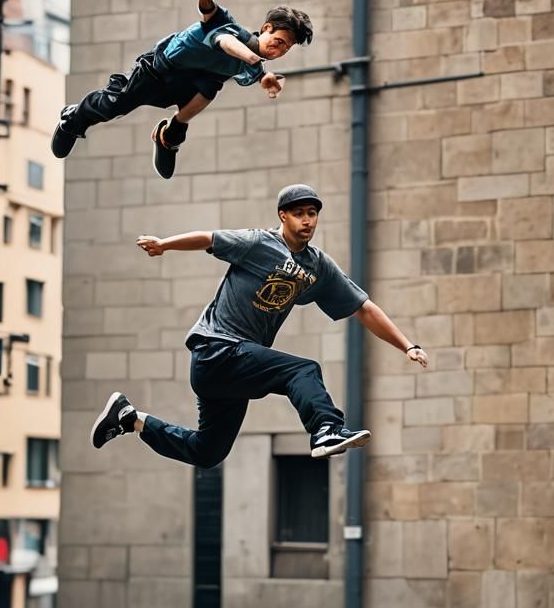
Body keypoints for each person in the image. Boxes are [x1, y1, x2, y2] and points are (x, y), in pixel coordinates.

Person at [90, 184, 429, 467]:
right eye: (299, 214)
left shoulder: (318, 266)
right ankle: (326, 428)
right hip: (217, 349)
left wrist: (407, 345)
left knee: (208, 452)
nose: (307, 221)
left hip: (232, 373)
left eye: (312, 214)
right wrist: (164, 244)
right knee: (303, 370)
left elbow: (363, 308)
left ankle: (130, 419)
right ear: (283, 215)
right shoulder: (257, 242)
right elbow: (208, 238)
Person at [50, 0, 313, 179]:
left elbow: (253, 73)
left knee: (211, 85)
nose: (278, 50)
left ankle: (170, 135)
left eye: (285, 49)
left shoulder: (254, 69)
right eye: (278, 41)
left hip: (184, 85)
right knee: (113, 107)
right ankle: (73, 119)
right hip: (157, 71)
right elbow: (217, 29)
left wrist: (264, 79)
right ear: (266, 28)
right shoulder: (231, 29)